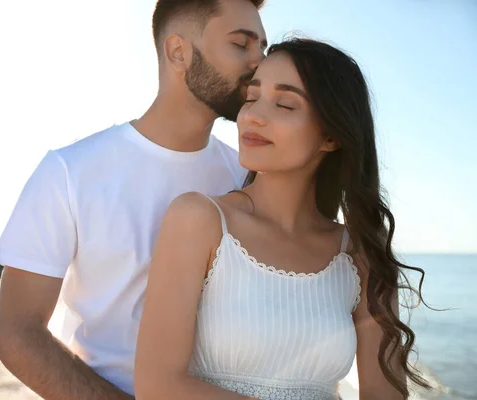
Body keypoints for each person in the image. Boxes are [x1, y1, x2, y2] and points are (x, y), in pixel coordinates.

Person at [0, 0, 267, 399]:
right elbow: (19, 333)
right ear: (179, 52)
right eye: (242, 44)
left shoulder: (248, 178)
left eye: (262, 47)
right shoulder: (70, 171)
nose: (259, 62)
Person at [134, 37, 430, 400]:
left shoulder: (361, 255)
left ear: (332, 136)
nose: (253, 116)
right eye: (251, 98)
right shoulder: (199, 220)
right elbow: (158, 387)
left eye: (285, 104)